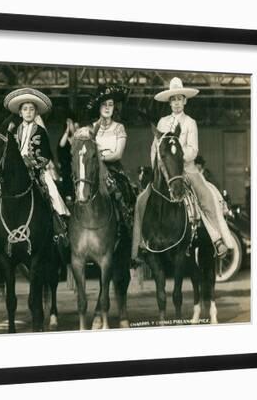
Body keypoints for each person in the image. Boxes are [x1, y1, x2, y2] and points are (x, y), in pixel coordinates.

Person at [131, 77, 234, 262]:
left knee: (203, 196)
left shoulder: (190, 122)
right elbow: (154, 148)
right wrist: (159, 166)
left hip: (186, 168)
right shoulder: (162, 122)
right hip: (164, 170)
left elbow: (193, 150)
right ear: (169, 102)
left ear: (185, 101)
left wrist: (176, 158)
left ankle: (217, 238)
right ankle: (140, 245)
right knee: (141, 199)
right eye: (173, 99)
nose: (176, 103)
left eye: (179, 99)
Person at [3, 87, 70, 240]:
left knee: (51, 189)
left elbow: (46, 156)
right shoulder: (15, 132)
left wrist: (32, 164)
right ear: (20, 112)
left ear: (36, 112)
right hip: (16, 172)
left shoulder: (40, 131)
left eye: (31, 109)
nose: (28, 112)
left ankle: (60, 222)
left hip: (35, 171)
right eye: (25, 109)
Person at [83, 84, 136, 237]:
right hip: (93, 169)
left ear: (114, 108)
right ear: (99, 107)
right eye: (104, 104)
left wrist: (100, 156)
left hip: (113, 169)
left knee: (123, 192)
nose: (107, 108)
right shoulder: (91, 128)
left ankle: (126, 226)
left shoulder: (119, 127)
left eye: (111, 105)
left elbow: (118, 154)